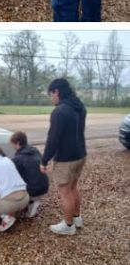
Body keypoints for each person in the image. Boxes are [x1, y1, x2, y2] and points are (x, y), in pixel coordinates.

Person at [41, 78, 87, 236]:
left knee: (65, 191)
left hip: (66, 158)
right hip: (80, 154)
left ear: (57, 92)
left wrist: (44, 160)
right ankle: (77, 218)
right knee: (73, 187)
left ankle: (68, 226)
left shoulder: (59, 111)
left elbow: (53, 139)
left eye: (51, 94)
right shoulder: (80, 106)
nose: (51, 98)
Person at [0, 147, 30, 232]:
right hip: (26, 198)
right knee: (6, 192)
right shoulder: (8, 160)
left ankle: (6, 218)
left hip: (10, 204)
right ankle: (14, 212)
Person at [10, 131, 50, 218]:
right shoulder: (35, 150)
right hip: (44, 186)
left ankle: (30, 202)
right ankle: (33, 201)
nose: (12, 146)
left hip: (34, 191)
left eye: (12, 144)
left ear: (17, 143)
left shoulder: (18, 159)